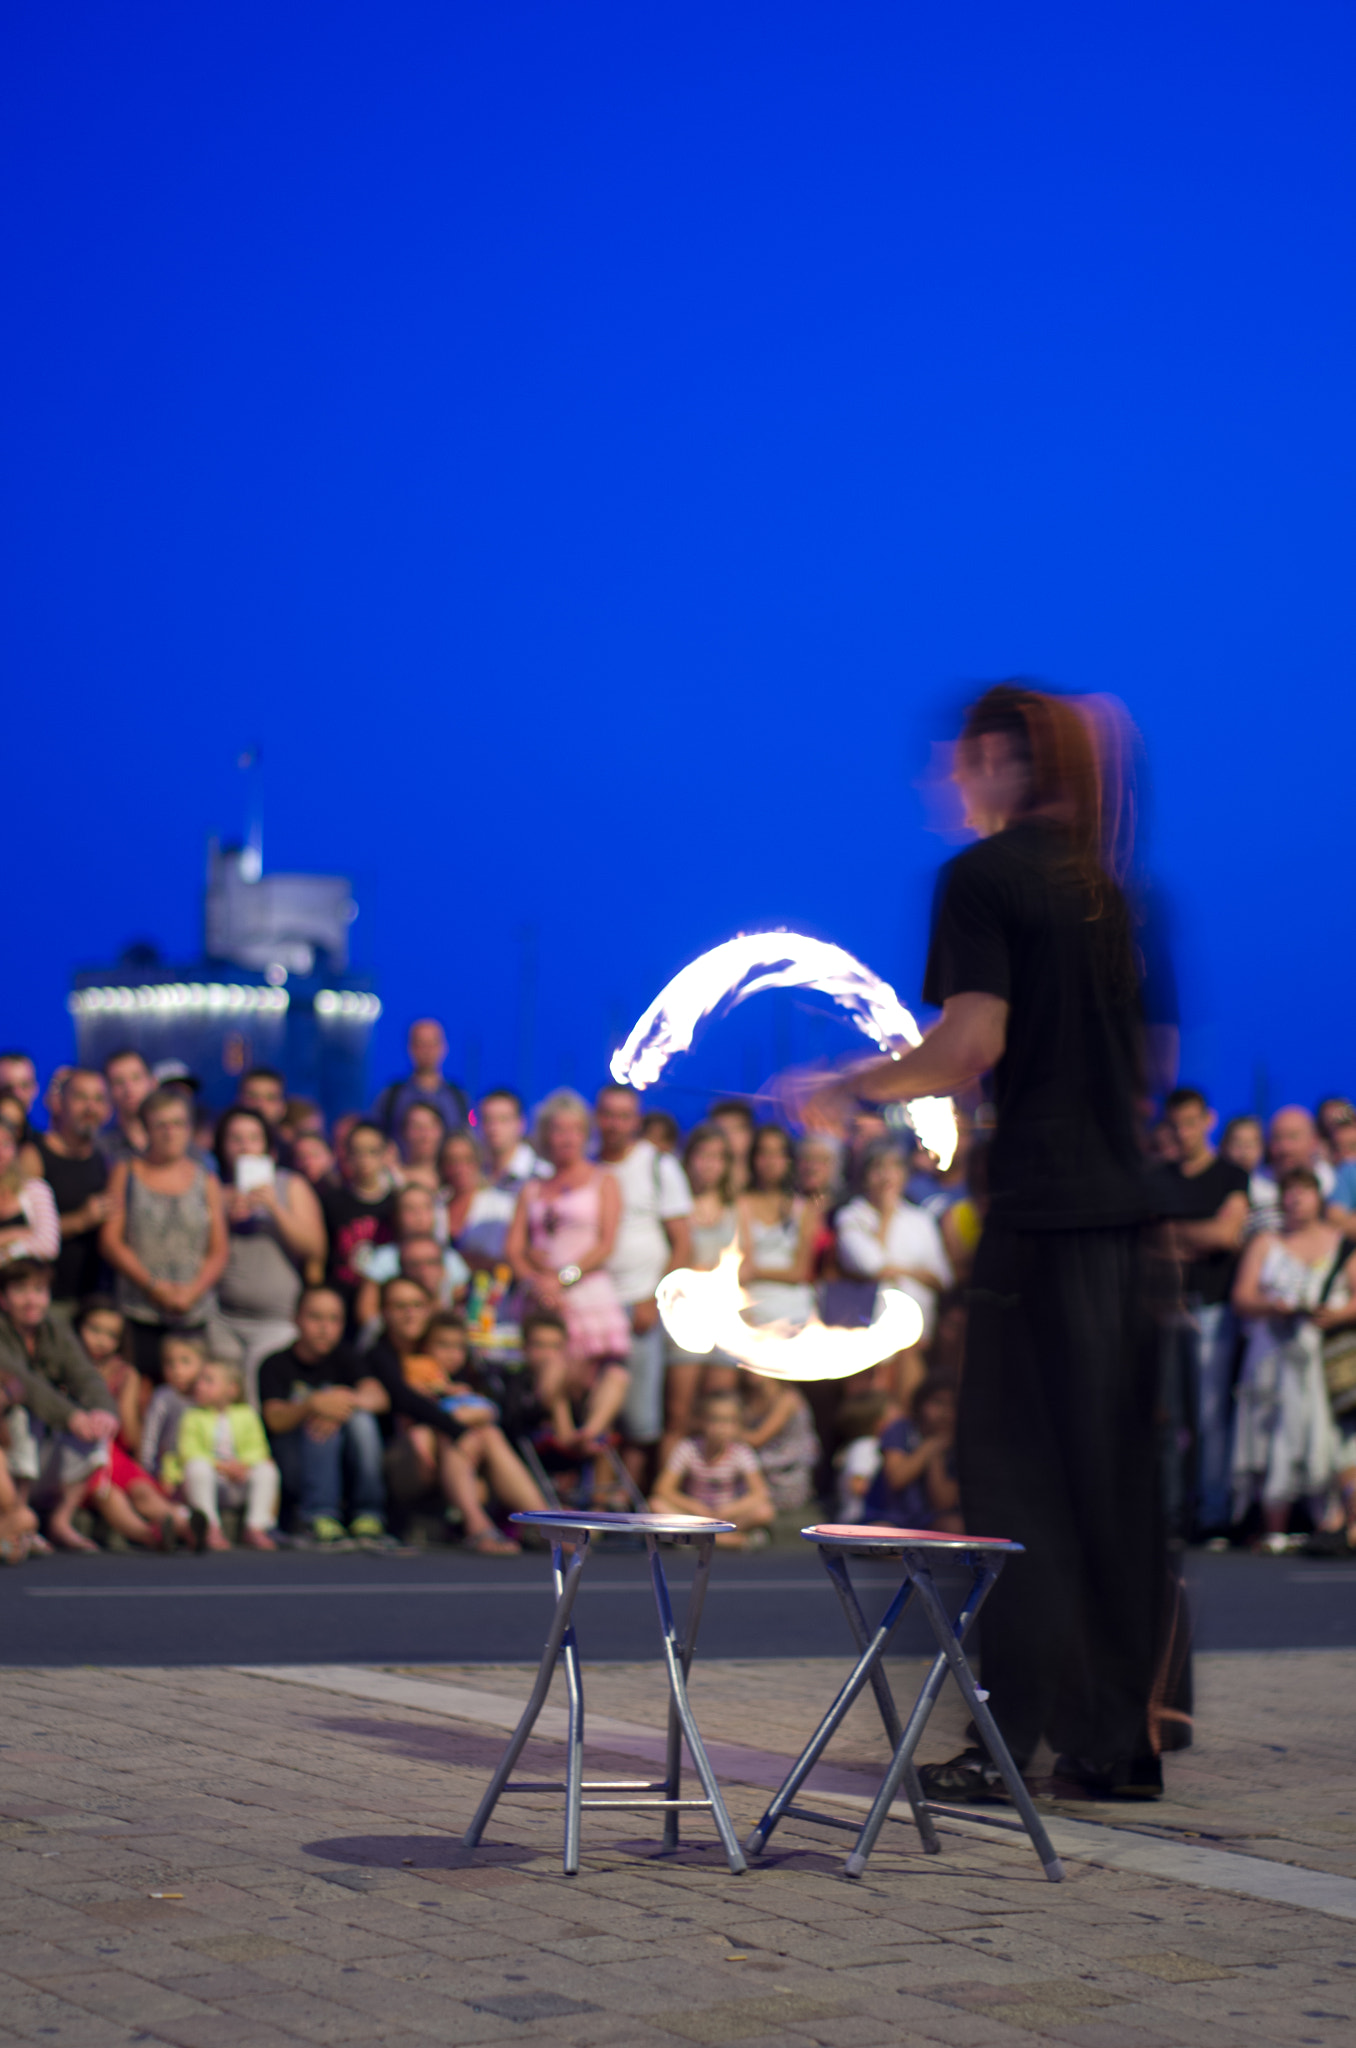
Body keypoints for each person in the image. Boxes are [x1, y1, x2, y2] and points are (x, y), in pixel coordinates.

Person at [796, 682, 1174, 1801]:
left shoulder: (984, 878)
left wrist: (851, 1083)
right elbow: (1149, 1063)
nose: (946, 780)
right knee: (1113, 1488)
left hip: (1042, 1224)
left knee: (1013, 1485)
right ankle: (1118, 1741)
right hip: (1125, 1224)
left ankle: (1007, 1742)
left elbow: (970, 1041)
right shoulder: (1117, 892)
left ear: (1004, 759)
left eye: (958, 761)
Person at [1230, 1168, 1352, 1548]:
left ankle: (1328, 1525)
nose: (1297, 1199)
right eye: (1290, 1191)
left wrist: (1335, 1315)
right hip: (1271, 1356)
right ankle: (1274, 1528)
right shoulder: (1266, 1242)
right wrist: (1274, 1307)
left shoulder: (1340, 1243)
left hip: (1321, 1359)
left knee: (1322, 1437)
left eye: (1305, 1191)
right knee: (1270, 1435)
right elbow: (1242, 1297)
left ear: (1319, 1197)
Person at [1154, 1087, 1250, 1541]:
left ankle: (1213, 1514)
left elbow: (1226, 1235)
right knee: (1168, 1417)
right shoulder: (1158, 1177)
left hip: (1212, 1309)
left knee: (1211, 1417)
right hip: (1165, 1309)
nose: (1183, 1133)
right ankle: (1172, 1513)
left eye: (1191, 1123)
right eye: (1175, 1125)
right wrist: (1195, 1234)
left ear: (1208, 1121)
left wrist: (1173, 1234)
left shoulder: (1230, 1175)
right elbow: (1147, 1239)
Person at [100, 1087, 229, 1381]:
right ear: (146, 1129)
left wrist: (192, 1292)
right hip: (139, 1310)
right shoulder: (126, 1172)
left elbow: (219, 1249)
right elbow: (111, 1241)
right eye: (161, 1125)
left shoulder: (206, 1179)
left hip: (192, 1312)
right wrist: (154, 1286)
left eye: (178, 1123)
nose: (170, 1132)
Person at [393, 1308, 547, 1554]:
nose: (452, 1354)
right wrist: (463, 1415)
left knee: (489, 1434)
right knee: (455, 1433)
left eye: (458, 1347)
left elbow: (492, 1410)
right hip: (410, 1465)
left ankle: (543, 1520)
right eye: (443, 1345)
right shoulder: (415, 1371)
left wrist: (476, 1412)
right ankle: (478, 1526)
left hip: (458, 1465)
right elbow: (425, 1411)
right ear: (425, 1346)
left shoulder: (465, 1381)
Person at [508, 1091, 631, 1380]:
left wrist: (563, 1279)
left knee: (594, 1378)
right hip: (541, 1300)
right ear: (545, 1135)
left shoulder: (604, 1180)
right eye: (559, 1130)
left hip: (588, 1296)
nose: (567, 1138)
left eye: (575, 1130)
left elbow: (606, 1244)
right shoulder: (532, 1188)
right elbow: (514, 1248)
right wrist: (536, 1284)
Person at [0, 1257, 119, 1551]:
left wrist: (103, 1410)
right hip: (12, 1446)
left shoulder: (54, 1328)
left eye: (39, 1290)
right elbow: (26, 1384)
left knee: (96, 1430)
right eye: (21, 1290)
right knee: (21, 1414)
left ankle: (60, 1521)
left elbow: (85, 1374)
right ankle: (18, 1518)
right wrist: (71, 1416)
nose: (32, 1300)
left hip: (41, 1451)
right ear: (3, 1298)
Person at [258, 1286, 391, 1543]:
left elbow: (379, 1398)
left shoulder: (348, 1358)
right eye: (315, 1317)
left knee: (361, 1420)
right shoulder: (275, 1364)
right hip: (295, 1464)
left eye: (334, 1319)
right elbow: (273, 1420)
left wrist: (339, 1403)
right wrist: (312, 1405)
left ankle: (368, 1514)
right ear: (296, 1319)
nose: (324, 1327)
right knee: (317, 1423)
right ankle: (317, 1515)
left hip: (343, 1465)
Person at [214, 1107, 327, 1405]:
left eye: (253, 1138)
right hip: (222, 1320)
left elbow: (315, 1248)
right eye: (235, 1139)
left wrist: (274, 1207)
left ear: (268, 1147)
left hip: (276, 1321)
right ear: (222, 1146)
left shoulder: (290, 1184)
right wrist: (223, 1217)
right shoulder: (213, 1189)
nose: (244, 1146)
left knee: (260, 1407)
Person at [661, 1123, 739, 1463]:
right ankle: (665, 1488)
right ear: (688, 1159)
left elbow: (746, 1263)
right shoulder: (676, 1208)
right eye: (703, 1155)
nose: (709, 1164)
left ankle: (715, 1488)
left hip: (723, 1319)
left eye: (718, 1157)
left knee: (720, 1417)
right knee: (679, 1415)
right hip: (684, 1320)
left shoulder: (735, 1207)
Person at [835, 1139, 953, 1347]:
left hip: (919, 1326)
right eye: (878, 1167)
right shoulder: (852, 1217)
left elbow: (943, 1278)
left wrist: (897, 1272)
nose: (886, 1176)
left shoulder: (921, 1220)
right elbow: (872, 1266)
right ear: (865, 1176)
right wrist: (887, 1215)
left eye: (894, 1167)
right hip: (869, 1326)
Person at [178, 1360, 281, 1551]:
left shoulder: (247, 1414)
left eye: (208, 1381)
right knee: (196, 1467)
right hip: (214, 1480)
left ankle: (256, 1526)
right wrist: (221, 1466)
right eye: (199, 1380)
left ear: (232, 1389)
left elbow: (259, 1449)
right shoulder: (191, 1415)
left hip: (240, 1479)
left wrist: (243, 1465)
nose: (199, 1386)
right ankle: (209, 1526)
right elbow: (189, 1451)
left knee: (267, 1470)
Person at [651, 1388, 774, 1548]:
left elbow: (760, 1493)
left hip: (727, 1516)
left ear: (738, 1424)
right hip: (696, 1516)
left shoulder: (741, 1452)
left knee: (764, 1511)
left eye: (728, 1421)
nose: (721, 1427)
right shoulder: (688, 1448)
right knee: (656, 1504)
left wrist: (731, 1509)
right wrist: (694, 1506)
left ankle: (696, 1539)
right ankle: (732, 1540)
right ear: (702, 1421)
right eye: (715, 1420)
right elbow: (662, 1489)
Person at [37, 1069, 111, 1302]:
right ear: (59, 1103)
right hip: (46, 1300)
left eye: (98, 1099)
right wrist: (80, 1220)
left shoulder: (106, 1159)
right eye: (80, 1097)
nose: (90, 1107)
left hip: (94, 1299)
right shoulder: (36, 1155)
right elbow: (21, 1231)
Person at [737, 1124, 815, 1329]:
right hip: (752, 1309)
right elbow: (744, 1263)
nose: (771, 1161)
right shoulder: (742, 1203)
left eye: (778, 1153)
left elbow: (800, 1271)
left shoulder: (803, 1208)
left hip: (795, 1311)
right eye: (764, 1153)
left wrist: (756, 1272)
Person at [319, 1120, 397, 1322]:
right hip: (341, 1301)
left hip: (385, 1305)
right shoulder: (331, 1201)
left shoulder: (396, 1204)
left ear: (386, 1154)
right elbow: (320, 1257)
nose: (365, 1160)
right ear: (346, 1156)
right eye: (357, 1152)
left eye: (372, 1152)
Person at [866, 1377, 961, 1532]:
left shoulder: (957, 1442)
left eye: (953, 1404)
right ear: (921, 1402)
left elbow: (943, 1502)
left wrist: (936, 1456)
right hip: (889, 1516)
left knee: (955, 1526)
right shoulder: (901, 1429)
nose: (945, 1412)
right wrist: (932, 1445)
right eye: (938, 1402)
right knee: (881, 1531)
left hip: (927, 1520)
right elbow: (896, 1478)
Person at [371, 1019, 469, 1139]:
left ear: (444, 1047)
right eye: (421, 1044)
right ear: (410, 1048)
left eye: (433, 1044)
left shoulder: (458, 1098)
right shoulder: (391, 1097)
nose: (427, 1051)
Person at [738, 1369, 818, 1512]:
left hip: (786, 1476)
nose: (750, 1371)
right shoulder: (751, 1397)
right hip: (760, 1472)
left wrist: (725, 1429)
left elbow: (758, 1439)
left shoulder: (788, 1399)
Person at [140, 1331, 210, 1492]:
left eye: (185, 1361)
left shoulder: (208, 1399)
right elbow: (150, 1437)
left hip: (203, 1470)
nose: (177, 1370)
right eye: (169, 1363)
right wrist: (148, 1471)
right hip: (167, 1474)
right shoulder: (163, 1397)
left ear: (203, 1363)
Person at [0, 1115, 59, 1266]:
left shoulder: (36, 1190)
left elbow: (49, 1246)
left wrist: (8, 1253)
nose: (1, 1153)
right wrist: (15, 1234)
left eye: (6, 1144)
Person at [833, 1389, 890, 1523]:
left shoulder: (861, 1445)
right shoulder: (865, 1446)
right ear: (879, 1422)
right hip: (859, 1520)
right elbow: (857, 1485)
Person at [100, 1048, 154, 1163]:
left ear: (152, 1082)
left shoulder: (176, 1140)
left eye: (136, 1078)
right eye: (119, 1082)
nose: (129, 1089)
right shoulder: (101, 1151)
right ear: (109, 1091)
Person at [709, 1100, 755, 1196]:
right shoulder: (702, 1185)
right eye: (722, 1130)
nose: (729, 1136)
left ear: (750, 1134)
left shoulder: (763, 1182)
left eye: (736, 1129)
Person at [0, 1052, 39, 1130]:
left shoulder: (42, 1138)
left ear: (35, 1089)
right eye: (8, 1088)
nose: (17, 1094)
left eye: (25, 1086)